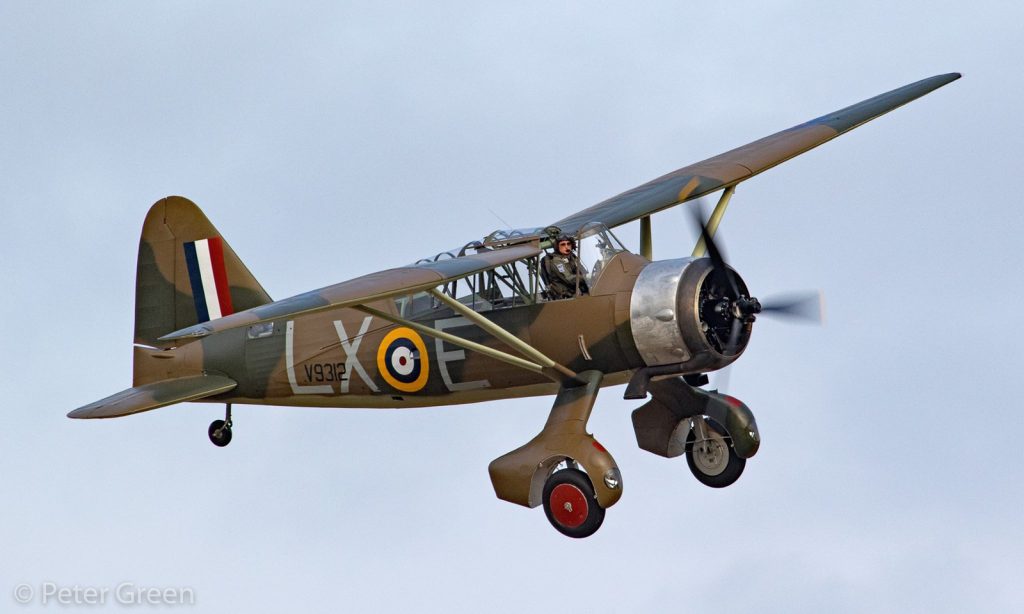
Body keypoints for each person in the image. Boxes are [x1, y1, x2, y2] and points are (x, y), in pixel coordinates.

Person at [541, 234, 589, 300]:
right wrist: (586, 277)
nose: (566, 247)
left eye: (568, 244)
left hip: (577, 293)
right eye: (563, 244)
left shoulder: (572, 257)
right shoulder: (555, 261)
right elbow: (569, 279)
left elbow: (582, 271)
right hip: (565, 297)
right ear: (557, 246)